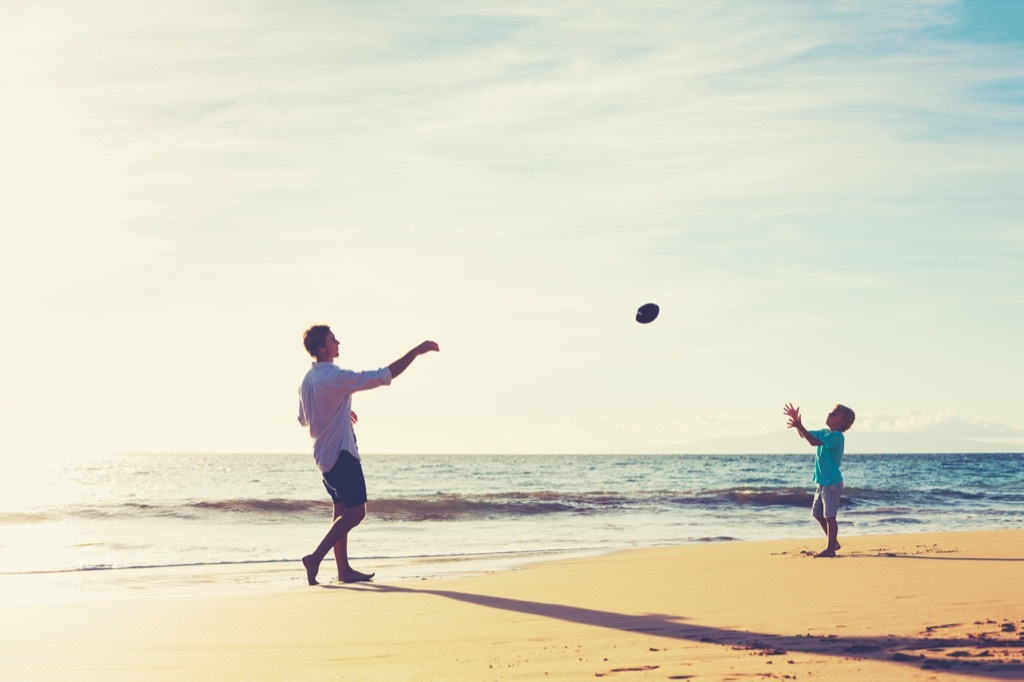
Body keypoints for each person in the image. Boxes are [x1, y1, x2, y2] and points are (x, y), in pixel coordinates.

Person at [297, 324, 439, 585]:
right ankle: (315, 558)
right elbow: (382, 375)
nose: (338, 342)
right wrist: (415, 352)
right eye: (332, 340)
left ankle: (344, 571)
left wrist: (338, 412)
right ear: (321, 348)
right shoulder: (335, 377)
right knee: (357, 513)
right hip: (342, 455)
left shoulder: (308, 380)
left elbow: (304, 419)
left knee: (341, 509)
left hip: (323, 459)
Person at [783, 402, 856, 558]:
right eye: (830, 412)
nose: (829, 414)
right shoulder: (824, 432)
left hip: (832, 482)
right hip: (822, 482)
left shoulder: (837, 437)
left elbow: (813, 442)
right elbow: (806, 436)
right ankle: (834, 542)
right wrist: (798, 425)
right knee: (817, 514)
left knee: (830, 516)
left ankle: (831, 549)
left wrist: (799, 425)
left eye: (834, 414)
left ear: (842, 422)